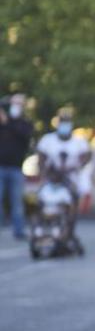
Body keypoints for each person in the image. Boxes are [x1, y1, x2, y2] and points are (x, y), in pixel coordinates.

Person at [36, 109, 91, 238]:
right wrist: (43, 174)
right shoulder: (48, 140)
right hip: (52, 178)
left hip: (70, 179)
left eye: (67, 122)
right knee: (42, 198)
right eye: (62, 122)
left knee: (72, 200)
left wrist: (77, 166)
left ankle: (68, 230)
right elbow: (41, 158)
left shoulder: (78, 141)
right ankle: (40, 227)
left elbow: (87, 155)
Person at [0, 94, 34, 239]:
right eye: (14, 103)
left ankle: (18, 231)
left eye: (19, 104)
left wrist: (8, 122)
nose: (15, 106)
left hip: (16, 168)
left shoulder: (25, 123)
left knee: (17, 202)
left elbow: (24, 136)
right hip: (0, 166)